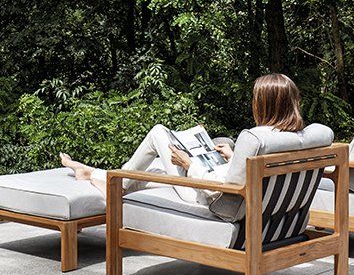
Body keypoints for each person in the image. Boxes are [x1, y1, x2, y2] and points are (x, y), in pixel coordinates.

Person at [59, 73, 306, 206]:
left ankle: (113, 182)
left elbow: (218, 188)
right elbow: (248, 175)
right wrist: (233, 158)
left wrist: (189, 164)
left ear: (264, 104)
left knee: (158, 132)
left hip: (211, 198)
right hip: (238, 196)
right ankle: (93, 173)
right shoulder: (292, 138)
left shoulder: (254, 137)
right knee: (157, 173)